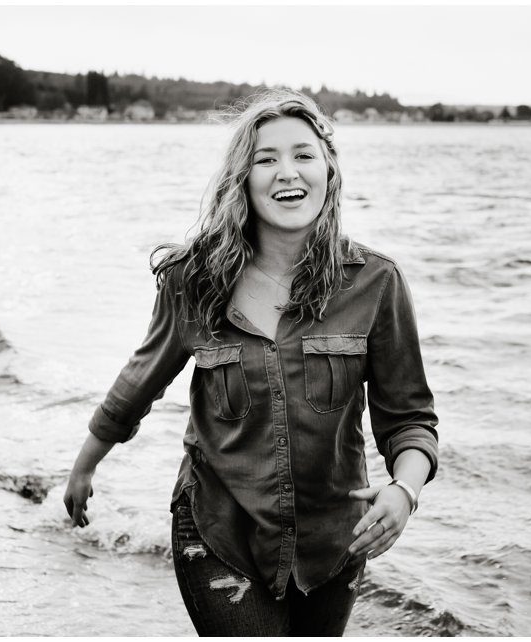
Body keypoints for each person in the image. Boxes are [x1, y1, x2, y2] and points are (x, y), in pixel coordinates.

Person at [63, 88, 439, 636]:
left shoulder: (376, 283)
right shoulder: (193, 281)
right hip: (219, 533)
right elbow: (138, 384)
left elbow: (409, 419)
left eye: (303, 155)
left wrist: (403, 491)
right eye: (267, 159)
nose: (288, 172)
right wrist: (84, 465)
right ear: (243, 177)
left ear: (328, 172)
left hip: (333, 546)